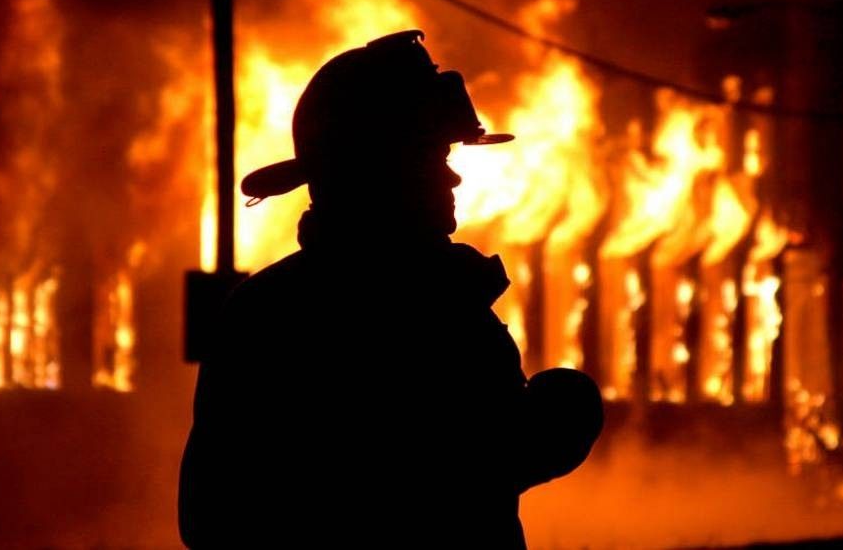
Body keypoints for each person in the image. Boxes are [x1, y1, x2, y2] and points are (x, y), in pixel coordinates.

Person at [178, 30, 603, 548]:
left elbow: (206, 516)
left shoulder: (263, 309)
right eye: (431, 157)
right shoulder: (440, 314)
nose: (453, 180)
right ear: (374, 171)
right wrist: (553, 420)